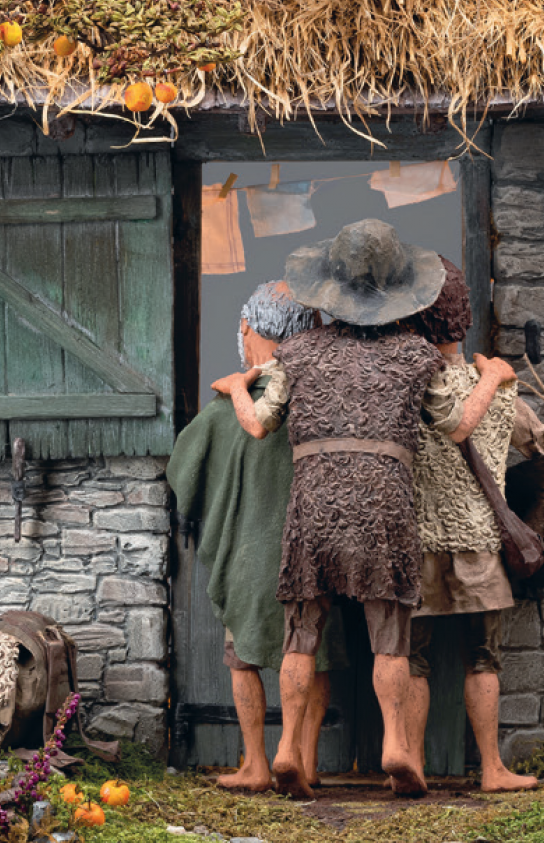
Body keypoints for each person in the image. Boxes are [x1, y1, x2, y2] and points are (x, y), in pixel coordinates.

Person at [216, 219, 515, 800]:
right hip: (384, 502)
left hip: (313, 501)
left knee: (301, 632)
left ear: (330, 287)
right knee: (389, 634)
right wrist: (494, 378)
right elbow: (458, 427)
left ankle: (285, 752)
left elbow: (256, 427)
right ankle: (398, 745)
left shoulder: (297, 352)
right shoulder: (413, 355)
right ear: (399, 290)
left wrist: (233, 388)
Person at [396, 255, 544, 791]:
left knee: (411, 658)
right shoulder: (502, 388)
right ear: (462, 321)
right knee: (483, 657)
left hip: (415, 539)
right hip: (480, 545)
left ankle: (412, 763)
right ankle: (492, 769)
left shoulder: (400, 388)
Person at [167, 281, 343, 791]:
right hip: (316, 553)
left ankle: (256, 764)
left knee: (241, 655)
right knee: (315, 651)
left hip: (250, 554)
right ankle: (306, 761)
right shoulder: (324, 400)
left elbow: (184, 475)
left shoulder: (230, 405)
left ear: (250, 330)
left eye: (243, 328)